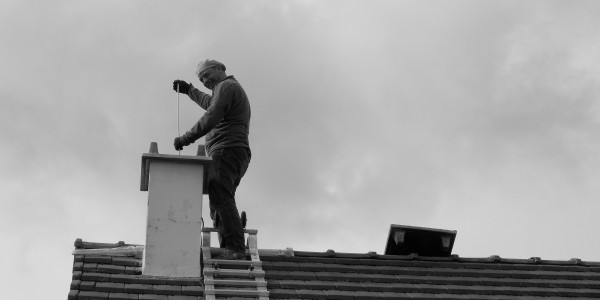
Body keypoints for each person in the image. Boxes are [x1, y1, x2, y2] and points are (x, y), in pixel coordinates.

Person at [172, 59, 251, 260]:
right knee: (219, 199)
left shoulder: (226, 86)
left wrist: (186, 138)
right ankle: (232, 242)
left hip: (226, 148)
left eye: (207, 75)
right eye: (201, 79)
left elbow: (212, 114)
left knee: (221, 197)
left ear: (221, 68)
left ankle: (235, 246)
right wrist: (190, 90)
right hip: (234, 151)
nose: (205, 80)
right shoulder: (225, 89)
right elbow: (210, 104)